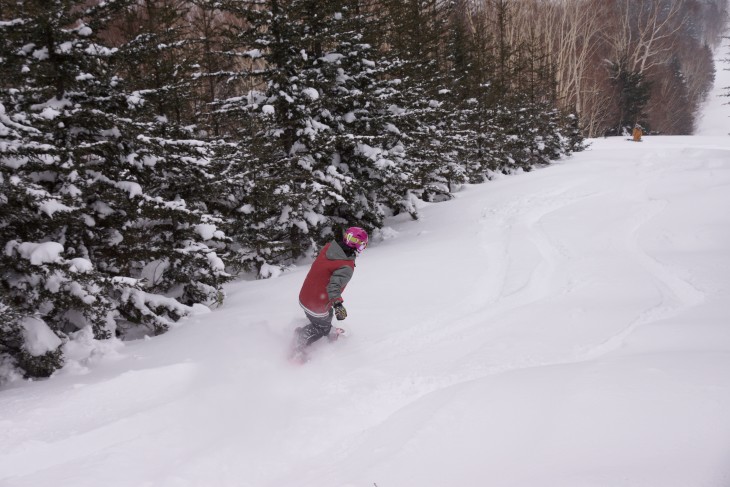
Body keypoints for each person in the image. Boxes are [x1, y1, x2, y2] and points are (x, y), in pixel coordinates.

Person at [291, 226, 368, 361]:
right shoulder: (346, 266)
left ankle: (326, 330)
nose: (361, 249)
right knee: (321, 328)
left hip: (306, 295)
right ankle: (299, 342)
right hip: (316, 302)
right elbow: (333, 287)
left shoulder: (330, 248)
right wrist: (338, 304)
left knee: (327, 315)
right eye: (361, 246)